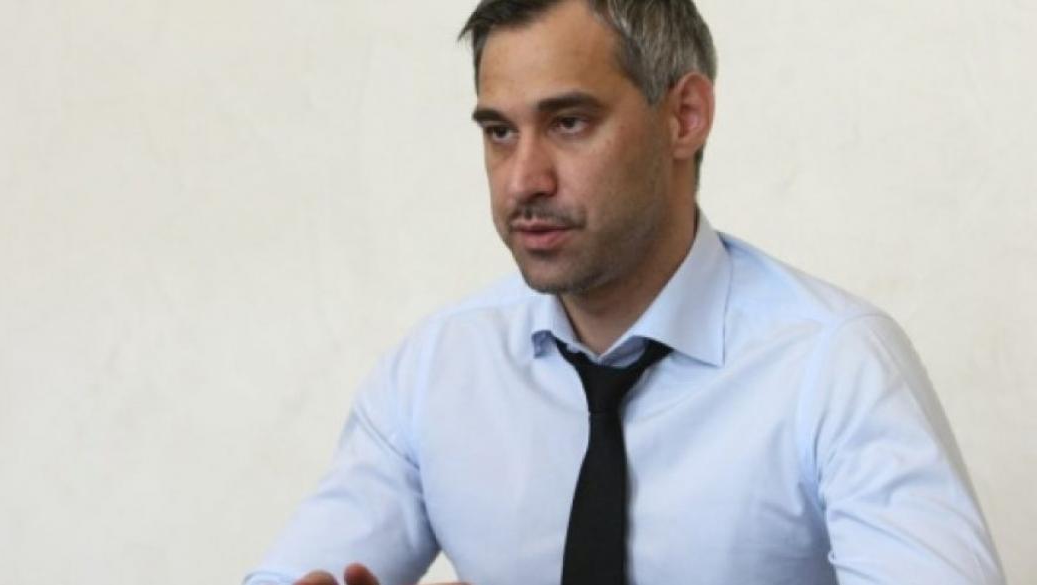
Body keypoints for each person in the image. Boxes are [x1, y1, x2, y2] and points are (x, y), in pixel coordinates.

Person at [244, 1, 1005, 584]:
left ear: (684, 117)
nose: (523, 180)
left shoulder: (834, 365)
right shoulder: (434, 371)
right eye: (499, 132)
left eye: (569, 122)